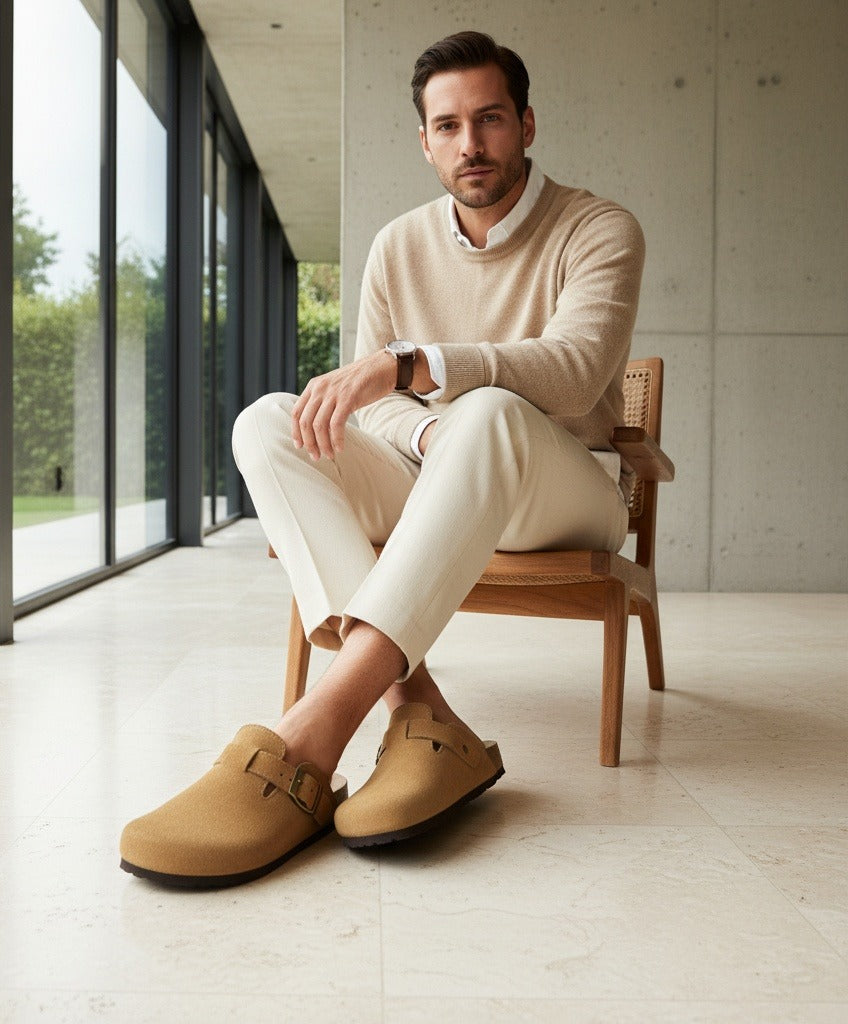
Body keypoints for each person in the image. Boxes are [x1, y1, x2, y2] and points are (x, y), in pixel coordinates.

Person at [120, 30, 644, 888]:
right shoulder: (398, 245)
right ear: (424, 141)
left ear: (526, 124)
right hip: (441, 471)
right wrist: (431, 433)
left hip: (565, 490)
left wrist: (416, 366)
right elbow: (376, 409)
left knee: (487, 411)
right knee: (268, 422)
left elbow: (575, 369)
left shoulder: (599, 228)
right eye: (448, 126)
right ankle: (421, 713)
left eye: (490, 119)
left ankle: (310, 736)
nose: (470, 144)